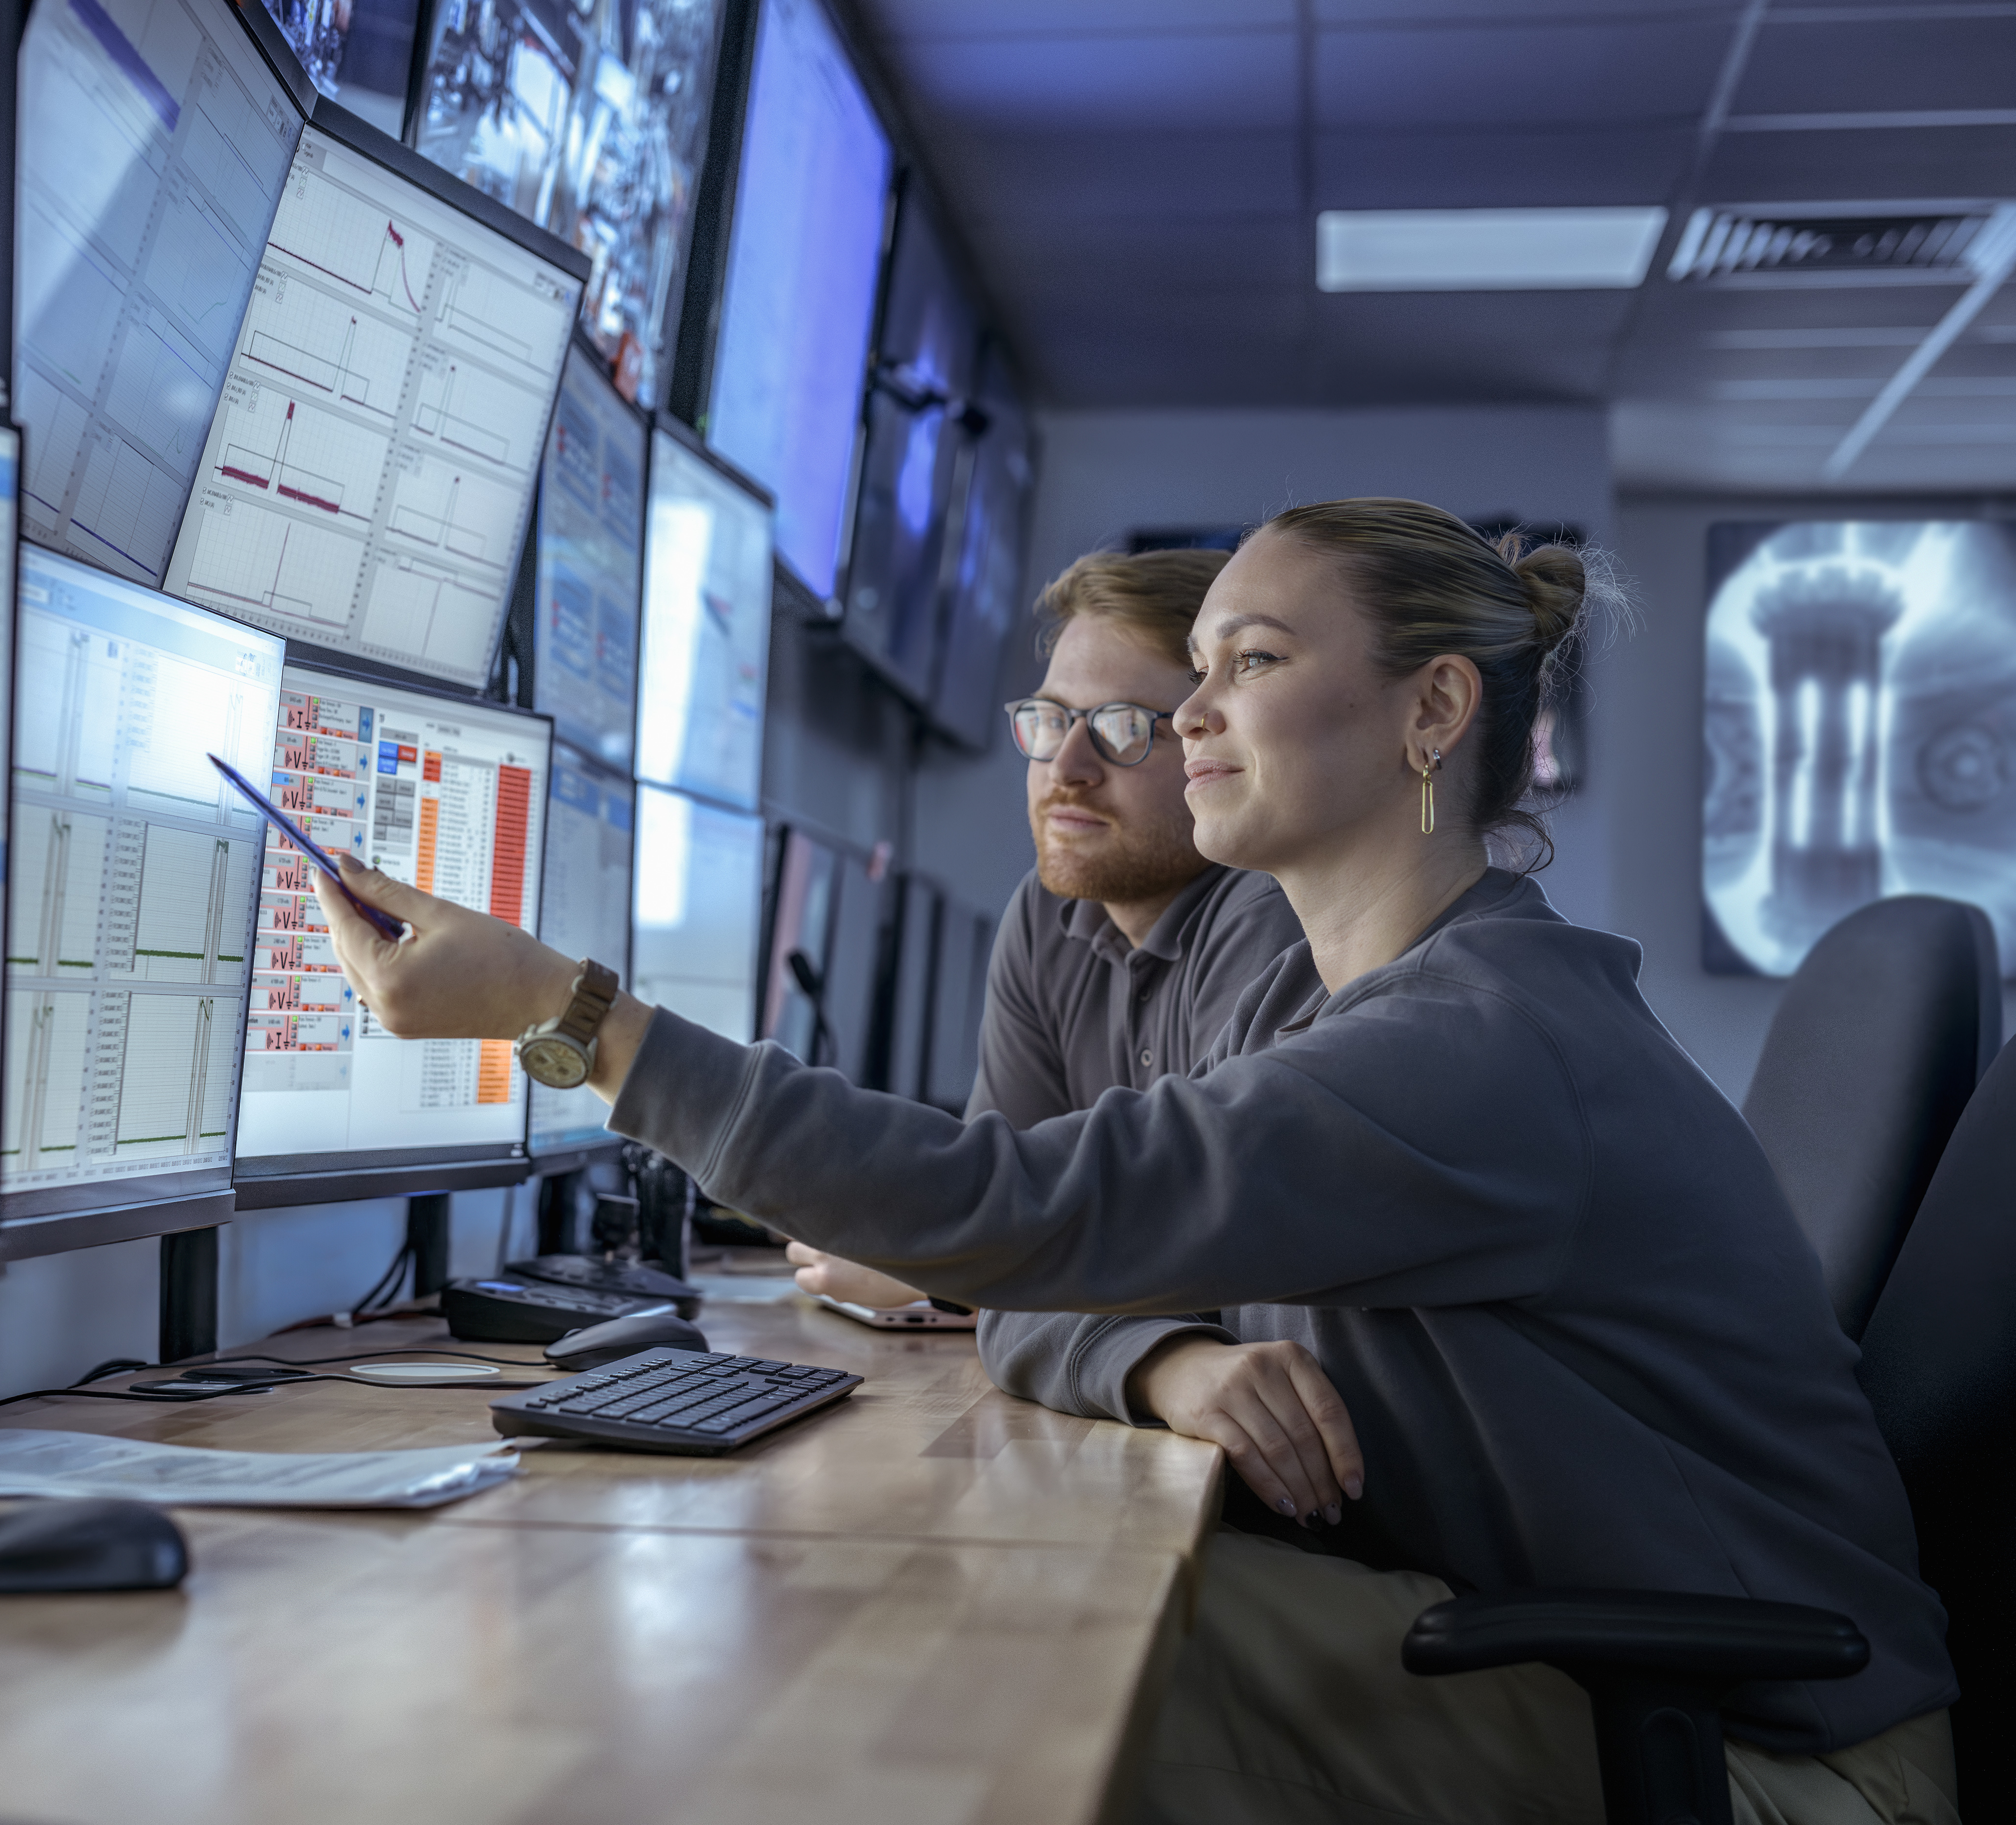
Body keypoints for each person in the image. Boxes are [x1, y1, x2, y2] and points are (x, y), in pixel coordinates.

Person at [311, 498, 1957, 1824]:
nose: (1186, 714)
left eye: (1246, 662)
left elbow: (1006, 1211)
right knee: (977, 1624)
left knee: (1003, 1675)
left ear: (1432, 712)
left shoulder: (1474, 1048)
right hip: (1609, 1668)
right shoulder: (1415, 1010)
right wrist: (1124, 1338)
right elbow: (1035, 1236)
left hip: (1775, 1766)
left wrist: (567, 1015)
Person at [788, 548, 1303, 1322]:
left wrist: (936, 1268)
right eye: (1050, 719)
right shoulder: (1049, 912)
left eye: (1123, 728)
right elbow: (1001, 1206)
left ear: (1214, 743)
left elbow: (1207, 1256)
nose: (1066, 767)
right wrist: (959, 1254)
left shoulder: (1270, 910)